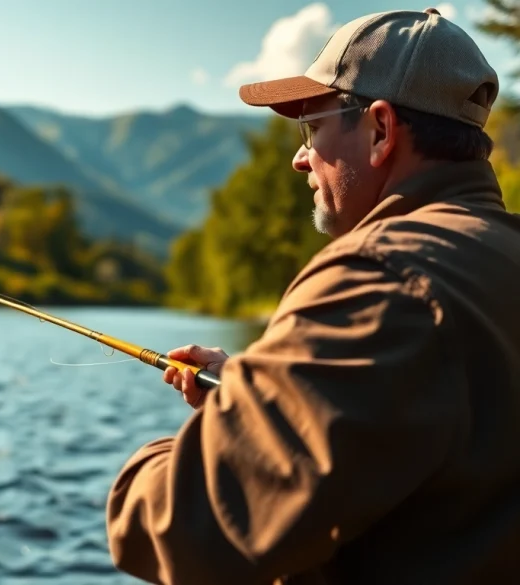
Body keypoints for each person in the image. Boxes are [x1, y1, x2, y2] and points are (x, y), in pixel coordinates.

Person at [106, 8, 520, 585]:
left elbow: (191, 530)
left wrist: (154, 465)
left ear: (380, 130)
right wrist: (264, 393)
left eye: (313, 127)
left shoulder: (379, 276)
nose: (301, 157)